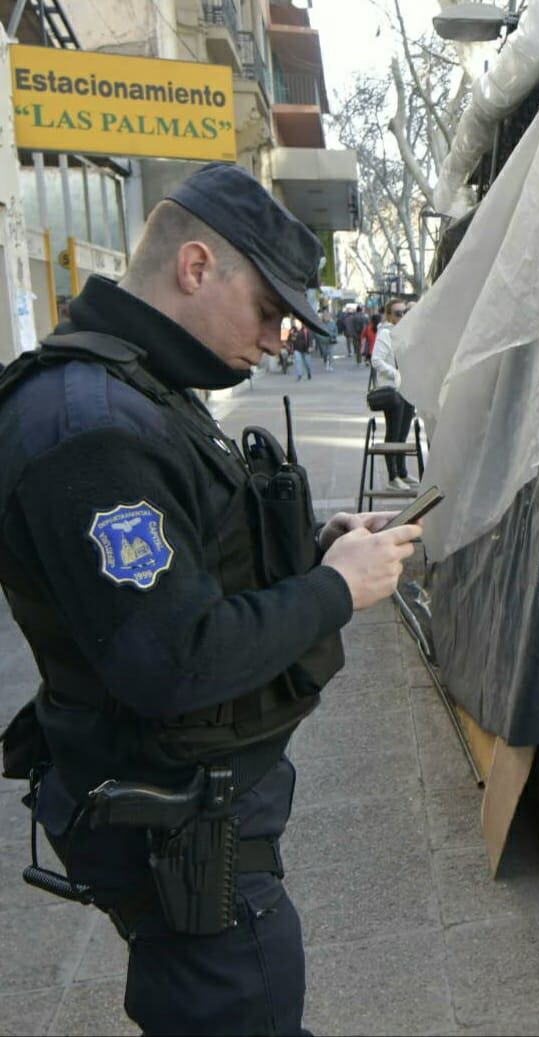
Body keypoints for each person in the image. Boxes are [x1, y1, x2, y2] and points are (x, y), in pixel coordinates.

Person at [0, 163, 421, 1035]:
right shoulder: (94, 428)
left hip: (193, 817)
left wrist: (310, 552)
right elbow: (172, 658)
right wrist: (336, 590)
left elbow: (184, 574)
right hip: (178, 832)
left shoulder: (136, 390)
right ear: (196, 267)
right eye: (269, 310)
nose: (277, 341)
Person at [370, 298, 419, 492]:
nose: (402, 316)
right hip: (392, 390)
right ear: (389, 315)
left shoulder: (406, 333)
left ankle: (403, 472)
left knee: (404, 432)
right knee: (394, 433)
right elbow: (376, 360)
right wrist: (395, 373)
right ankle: (393, 477)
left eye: (404, 312)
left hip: (407, 388)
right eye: (398, 313)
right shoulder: (385, 334)